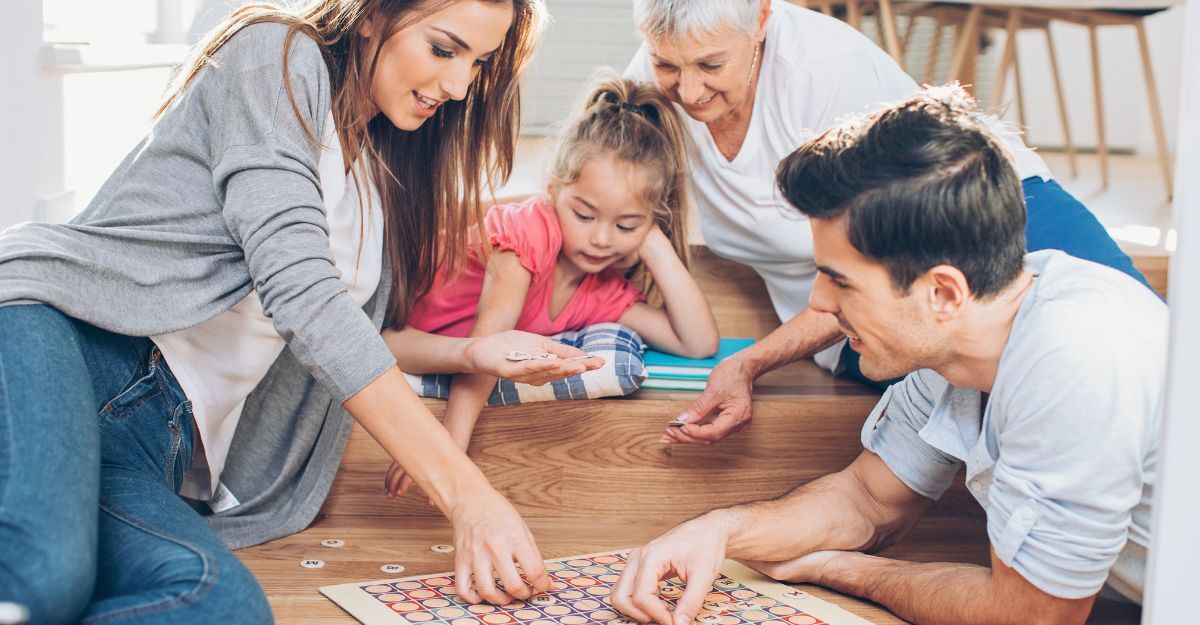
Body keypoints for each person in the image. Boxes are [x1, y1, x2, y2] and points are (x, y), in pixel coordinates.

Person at [0, 1, 599, 623]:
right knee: (45, 576)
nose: (458, 85)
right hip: (60, 343)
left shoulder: (378, 172)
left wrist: (470, 352)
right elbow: (301, 292)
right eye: (443, 49)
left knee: (217, 607)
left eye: (478, 63)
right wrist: (467, 495)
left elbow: (352, 336)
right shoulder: (275, 56)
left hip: (154, 436)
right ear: (373, 14)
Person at [610, 86, 1165, 625]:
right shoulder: (959, 341)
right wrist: (716, 531)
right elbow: (868, 500)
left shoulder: (1079, 357)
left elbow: (1031, 616)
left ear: (942, 293)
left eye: (840, 281)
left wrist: (840, 570)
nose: (818, 303)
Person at [623, 0, 1155, 445]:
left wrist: (750, 362)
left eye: (711, 65)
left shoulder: (826, 69)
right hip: (858, 309)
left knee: (1147, 370)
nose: (688, 92)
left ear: (761, 19)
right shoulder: (649, 79)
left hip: (994, 209)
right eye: (667, 65)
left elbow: (886, 257)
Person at [384, 75, 720, 497]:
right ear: (553, 192)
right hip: (390, 333)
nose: (602, 239)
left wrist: (654, 241)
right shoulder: (531, 232)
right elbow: (489, 339)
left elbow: (698, 343)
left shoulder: (600, 290)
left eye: (626, 225)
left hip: (431, 350)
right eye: (584, 215)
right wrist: (448, 449)